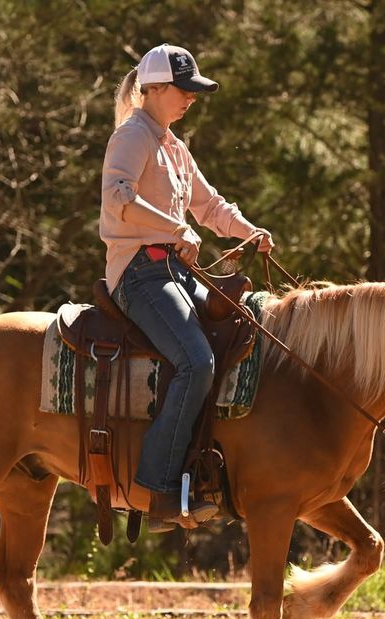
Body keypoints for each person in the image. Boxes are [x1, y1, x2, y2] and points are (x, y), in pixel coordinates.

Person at [99, 43, 274, 531]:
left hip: (172, 274)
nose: (191, 100)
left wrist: (248, 230)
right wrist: (174, 231)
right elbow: (117, 198)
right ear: (153, 90)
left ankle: (200, 475)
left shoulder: (173, 146)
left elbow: (210, 206)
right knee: (196, 362)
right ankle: (154, 491)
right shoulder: (132, 136)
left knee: (242, 329)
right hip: (138, 273)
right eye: (184, 90)